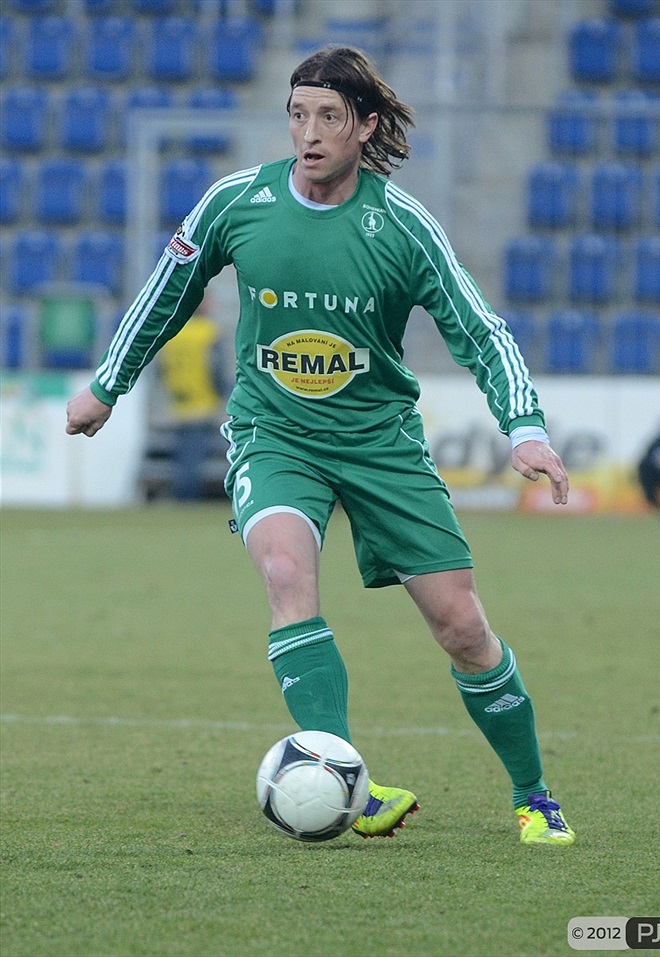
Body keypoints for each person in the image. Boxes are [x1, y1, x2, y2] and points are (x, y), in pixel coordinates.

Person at [66, 46, 575, 846]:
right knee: (283, 571)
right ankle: (349, 780)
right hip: (275, 434)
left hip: (380, 444)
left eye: (329, 117)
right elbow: (167, 294)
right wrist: (108, 382)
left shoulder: (403, 228)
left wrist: (527, 429)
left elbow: (481, 330)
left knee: (463, 627)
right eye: (298, 114)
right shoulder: (236, 202)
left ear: (365, 126)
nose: (309, 133)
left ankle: (533, 794)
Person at [158, 304, 227, 500]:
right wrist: (220, 394)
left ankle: (180, 493)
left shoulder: (174, 331)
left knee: (182, 456)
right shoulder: (208, 331)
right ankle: (188, 497)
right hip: (203, 402)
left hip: (179, 402)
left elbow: (162, 369)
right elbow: (216, 367)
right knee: (194, 457)